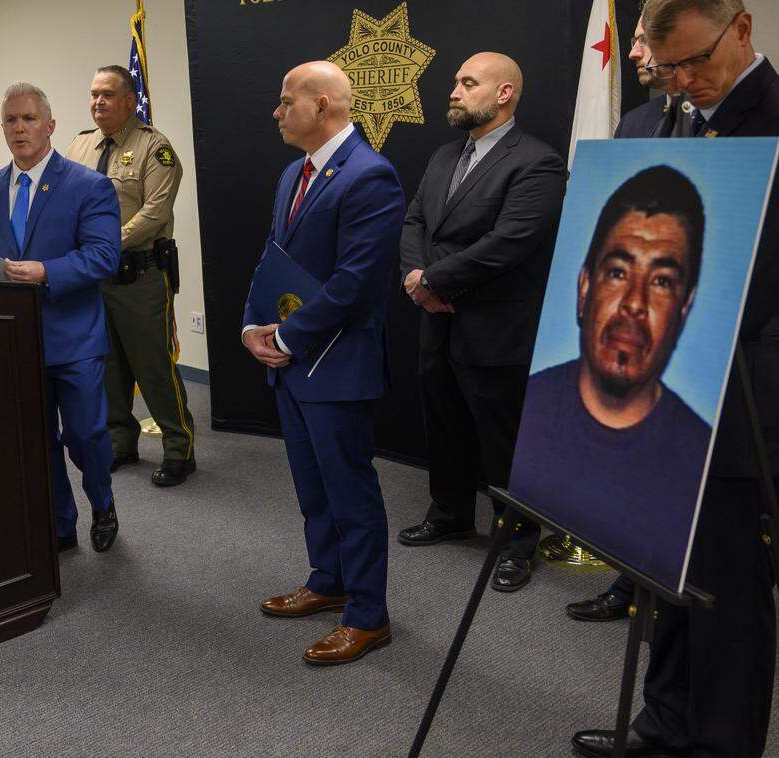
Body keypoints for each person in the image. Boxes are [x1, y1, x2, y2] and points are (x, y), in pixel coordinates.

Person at [571, 1, 778, 756]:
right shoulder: (644, 125)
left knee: (730, 598)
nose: (683, 81)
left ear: (743, 28)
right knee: (667, 575)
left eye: (696, 62)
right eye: (670, 67)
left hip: (746, 402)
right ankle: (662, 727)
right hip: (658, 392)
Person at [242, 61, 404, 665]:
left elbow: (355, 283)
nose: (277, 113)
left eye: (288, 102)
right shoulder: (293, 174)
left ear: (325, 106)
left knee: (350, 491)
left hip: (336, 365)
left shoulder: (370, 176)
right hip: (292, 361)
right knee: (313, 487)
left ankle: (368, 615)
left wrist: (285, 338)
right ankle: (328, 579)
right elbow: (273, 258)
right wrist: (253, 325)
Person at [396, 52, 566, 592]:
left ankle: (517, 542)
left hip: (496, 326)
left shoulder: (537, 162)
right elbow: (416, 218)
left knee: (502, 438)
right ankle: (449, 514)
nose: (454, 90)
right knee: (442, 420)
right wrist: (414, 277)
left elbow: (509, 244)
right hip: (438, 320)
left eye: (468, 83)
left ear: (504, 94)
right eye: (455, 81)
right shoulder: (446, 154)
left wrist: (433, 281)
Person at [512, 165, 712, 587]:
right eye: (618, 273)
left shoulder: (699, 450)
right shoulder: (532, 407)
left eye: (661, 281)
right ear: (585, 288)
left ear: (685, 308)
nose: (634, 304)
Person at [567, 12, 694, 623]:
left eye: (644, 39)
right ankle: (628, 582)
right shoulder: (637, 122)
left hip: (696, 333)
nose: (636, 50)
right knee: (631, 462)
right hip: (628, 325)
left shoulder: (726, 120)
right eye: (636, 38)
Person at [0, 81, 122, 554]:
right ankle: (60, 522)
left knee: (85, 435)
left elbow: (103, 257)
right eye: (10, 121)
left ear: (49, 125)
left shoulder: (89, 186)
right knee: (37, 440)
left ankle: (103, 504)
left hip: (73, 338)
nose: (19, 129)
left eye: (28, 119)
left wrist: (45, 271)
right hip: (16, 341)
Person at [64, 65, 195, 487]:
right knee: (108, 367)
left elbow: (154, 213)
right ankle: (121, 441)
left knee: (153, 366)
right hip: (93, 278)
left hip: (139, 277)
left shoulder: (155, 149)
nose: (97, 102)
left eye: (107, 94)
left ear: (130, 100)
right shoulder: (80, 147)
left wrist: (102, 243)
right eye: (93, 94)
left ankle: (179, 448)